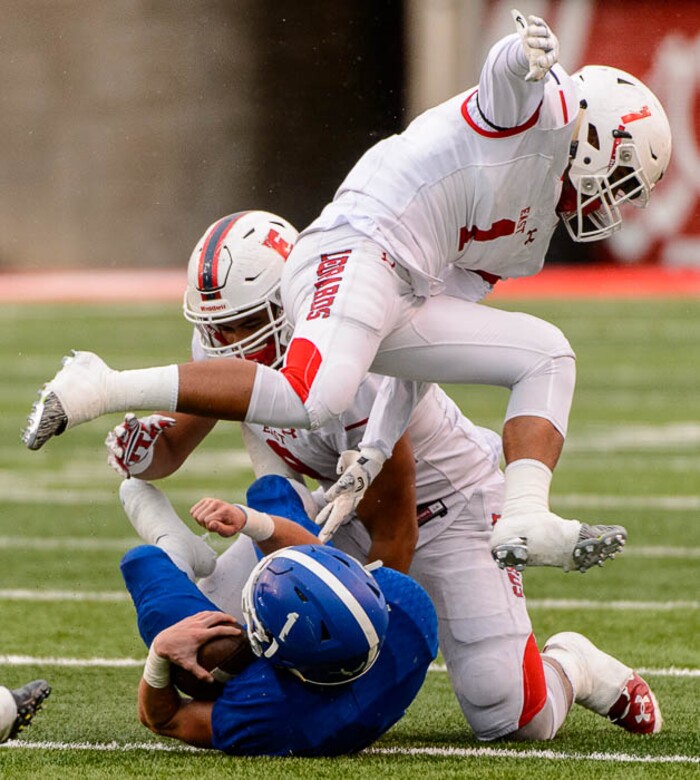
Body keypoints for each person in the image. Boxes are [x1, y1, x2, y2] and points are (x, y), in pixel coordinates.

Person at [23, 9, 672, 573]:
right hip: (358, 244)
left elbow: (421, 349)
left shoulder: (524, 242)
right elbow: (504, 82)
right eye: (618, 179)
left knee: (547, 354)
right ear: (593, 136)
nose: (613, 203)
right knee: (313, 395)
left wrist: (373, 451)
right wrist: (522, 57)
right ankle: (100, 385)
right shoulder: (543, 110)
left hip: (401, 289)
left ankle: (526, 515)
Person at [106, 215, 661, 741]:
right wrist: (142, 450)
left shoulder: (353, 365)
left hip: (447, 511)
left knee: (510, 714)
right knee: (207, 651)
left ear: (292, 301)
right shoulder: (226, 344)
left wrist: (361, 659)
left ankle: (574, 666)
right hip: (342, 510)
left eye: (246, 323)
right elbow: (172, 446)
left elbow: (396, 534)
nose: (231, 343)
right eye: (216, 328)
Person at [119, 477, 438, 756]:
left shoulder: (273, 711)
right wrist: (248, 520)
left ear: (277, 659)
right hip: (323, 675)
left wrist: (159, 653)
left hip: (290, 700)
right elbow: (318, 557)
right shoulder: (406, 604)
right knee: (271, 490)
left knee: (143, 562)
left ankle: (174, 547)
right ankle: (273, 501)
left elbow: (165, 719)